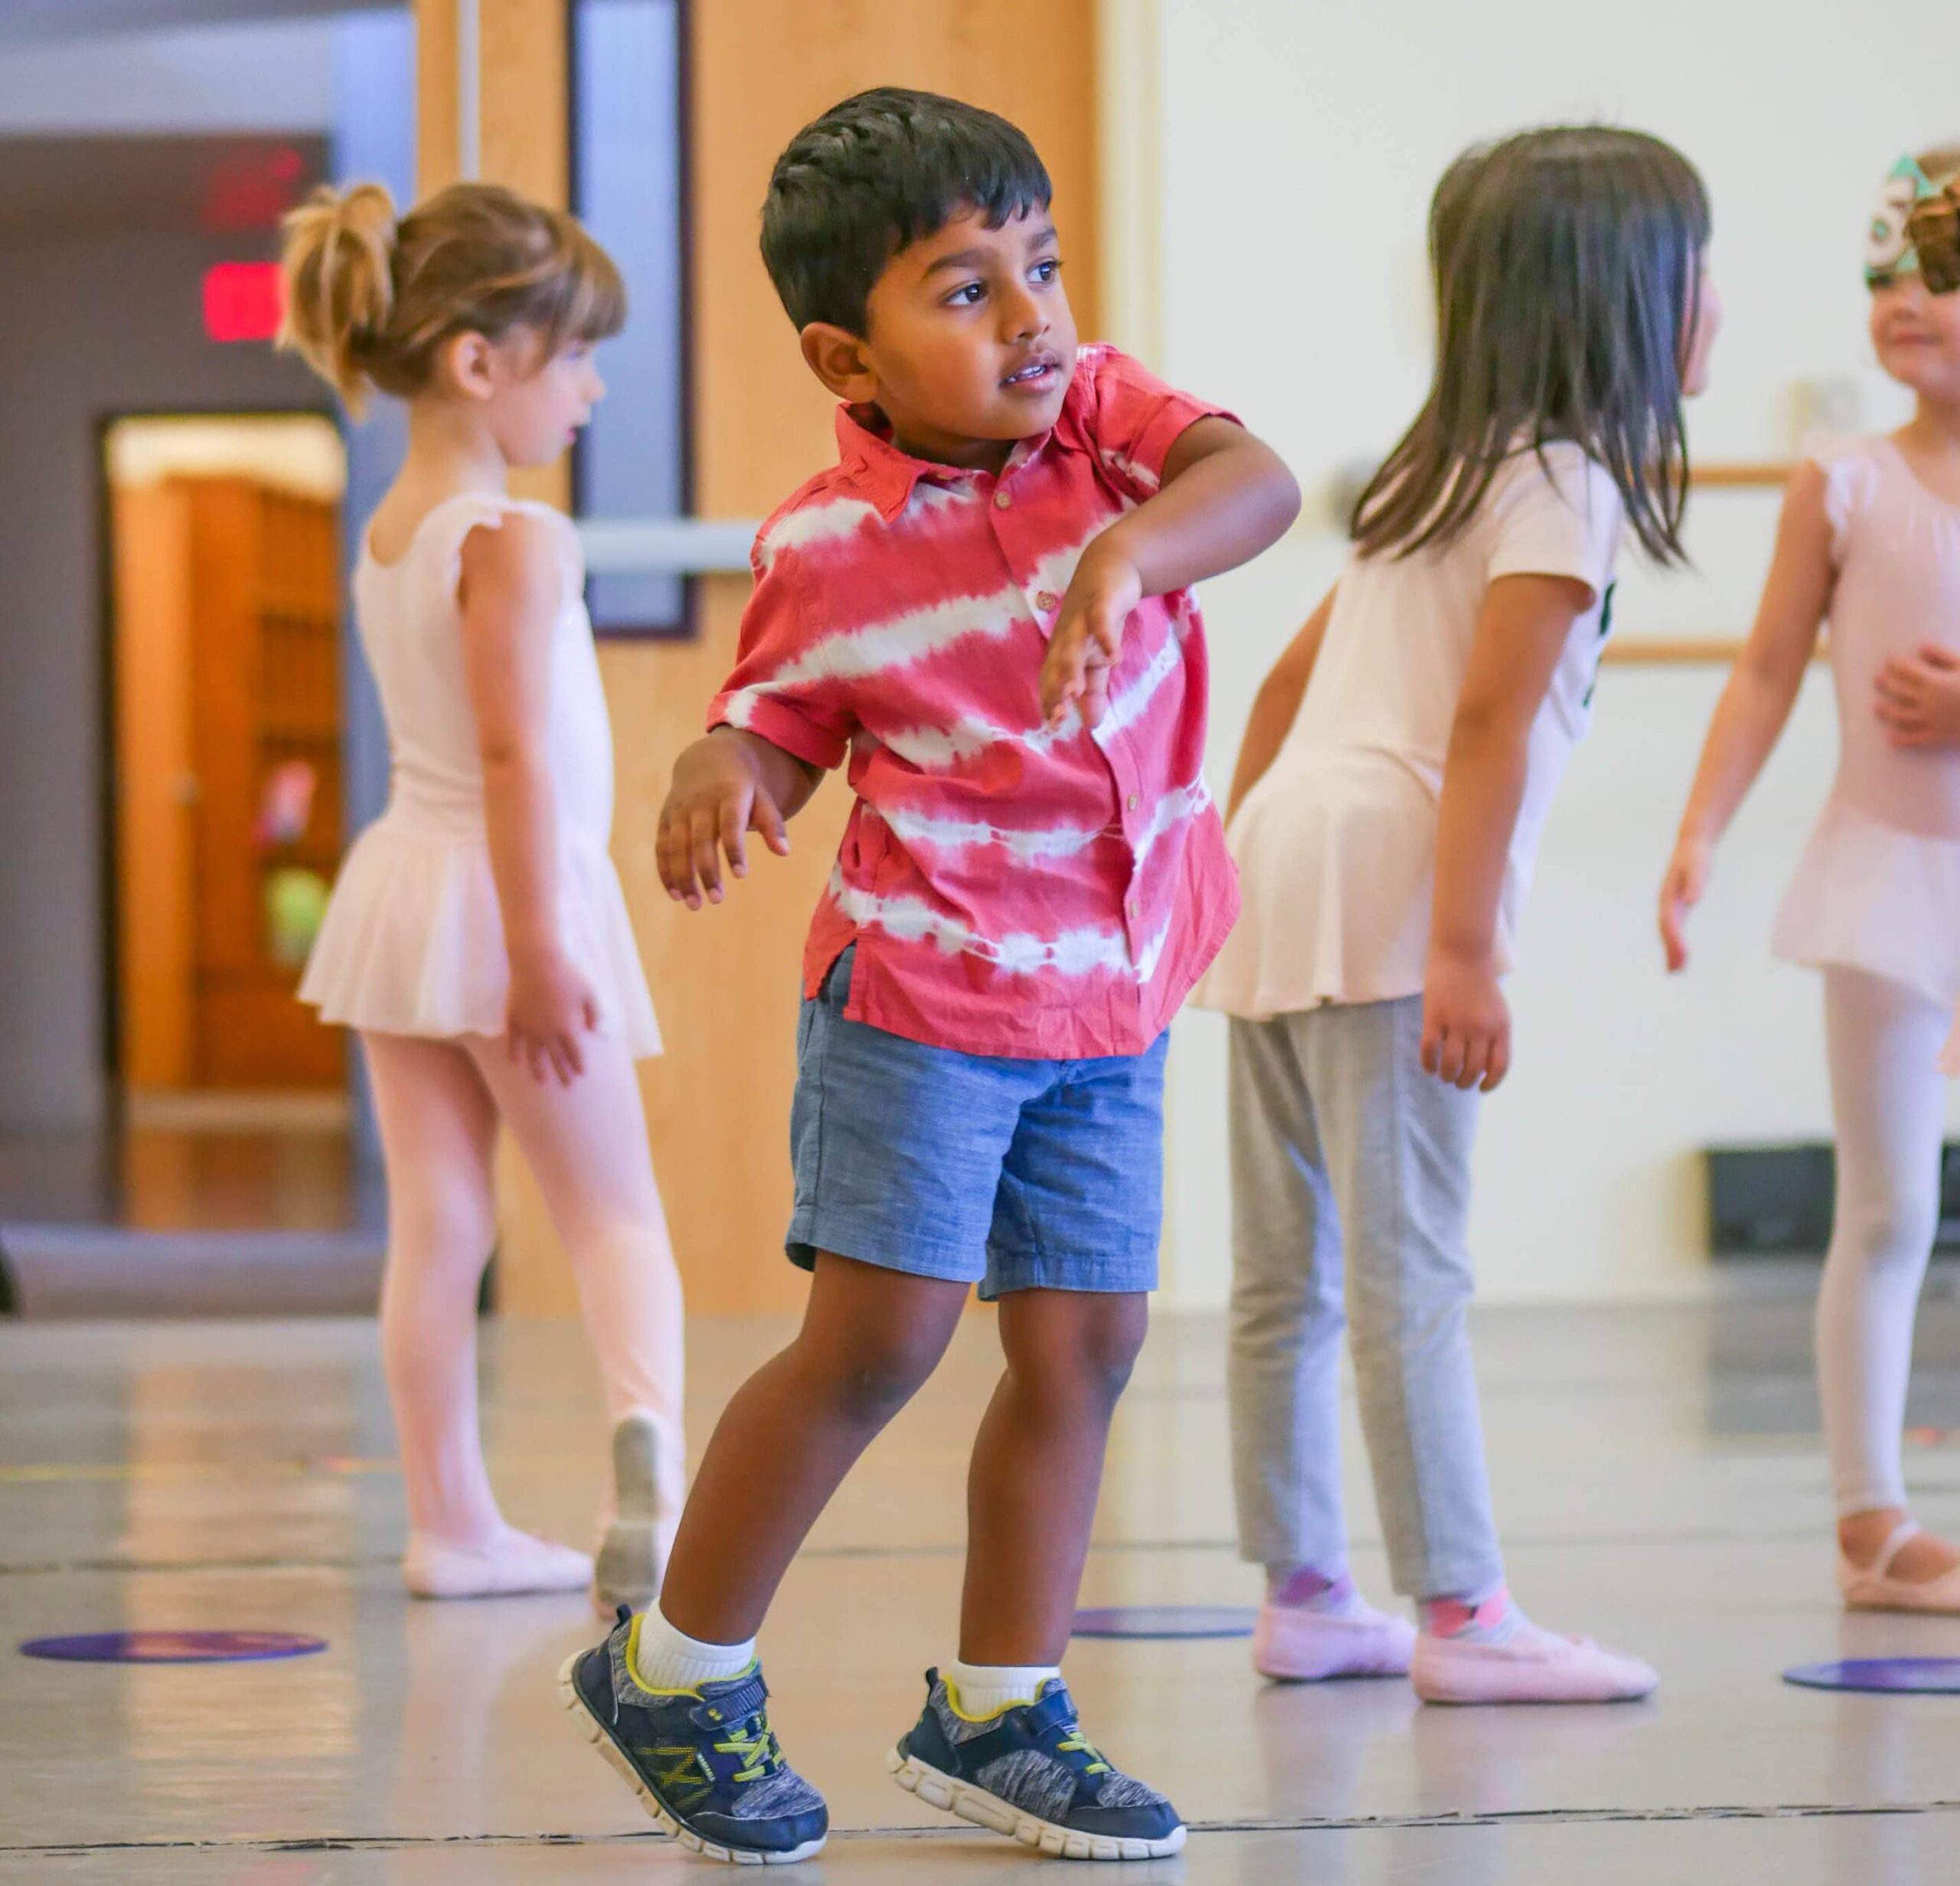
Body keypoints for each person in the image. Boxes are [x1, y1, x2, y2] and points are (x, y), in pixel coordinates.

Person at [559, 87, 1298, 1863]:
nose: (1029, 314)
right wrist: (719, 774)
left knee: (1084, 1344)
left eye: (1036, 263)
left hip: (1112, 989)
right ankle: (675, 1665)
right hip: (930, 998)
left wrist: (1130, 547)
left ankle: (999, 1709)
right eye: (964, 289)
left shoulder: (1113, 429)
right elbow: (780, 719)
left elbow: (1253, 484)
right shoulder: (824, 546)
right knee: (878, 1337)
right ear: (847, 354)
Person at [1197, 126, 1720, 1703]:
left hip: (1290, 851)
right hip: (1389, 878)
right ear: (1623, 297)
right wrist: (1462, 952)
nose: (1712, 307)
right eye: (1696, 274)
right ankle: (1464, 1616)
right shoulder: (1562, 482)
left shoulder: (1433, 464)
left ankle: (1303, 1589)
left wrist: (1228, 853)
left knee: (1284, 1269)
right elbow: (1488, 724)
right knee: (1409, 1263)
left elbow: (1290, 680)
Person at [281, 180, 685, 1608]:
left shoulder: (393, 531)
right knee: (614, 1218)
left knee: (443, 1219)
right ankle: (654, 1470)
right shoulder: (516, 538)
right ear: (477, 360)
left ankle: (452, 1523)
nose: (588, 388)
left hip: (401, 897)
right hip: (508, 907)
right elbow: (517, 756)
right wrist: (541, 950)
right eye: (573, 355)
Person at [1661, 148, 1960, 1613]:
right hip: (1892, 881)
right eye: (1887, 273)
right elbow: (1771, 667)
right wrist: (1705, 825)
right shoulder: (1840, 481)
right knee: (1890, 1203)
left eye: (1945, 271)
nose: (1910, 299)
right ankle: (1872, 1523)